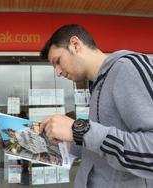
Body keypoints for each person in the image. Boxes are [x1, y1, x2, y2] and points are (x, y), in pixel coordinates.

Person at [39, 24, 153, 188]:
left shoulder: (127, 67)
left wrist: (79, 130)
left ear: (75, 45)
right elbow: (103, 146)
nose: (58, 72)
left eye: (58, 61)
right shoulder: (97, 86)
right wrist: (67, 142)